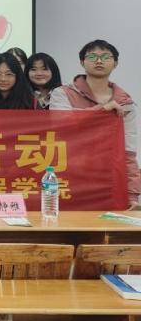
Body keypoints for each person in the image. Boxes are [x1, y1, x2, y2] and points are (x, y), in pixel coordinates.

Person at [50, 40, 139, 207]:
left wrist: (132, 195)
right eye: (92, 57)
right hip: (69, 173)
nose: (99, 61)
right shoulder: (62, 93)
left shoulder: (125, 103)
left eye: (105, 57)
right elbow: (61, 124)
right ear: (82, 62)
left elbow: (128, 152)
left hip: (108, 180)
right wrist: (102, 110)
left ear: (115, 63)